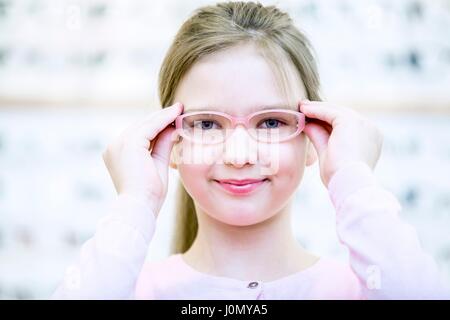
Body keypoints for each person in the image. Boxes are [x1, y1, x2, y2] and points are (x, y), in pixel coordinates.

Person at [51, 1, 450, 299]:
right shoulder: (125, 288)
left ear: (313, 137)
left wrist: (354, 180)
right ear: (168, 142)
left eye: (271, 122)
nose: (239, 154)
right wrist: (135, 202)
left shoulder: (362, 288)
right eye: (207, 124)